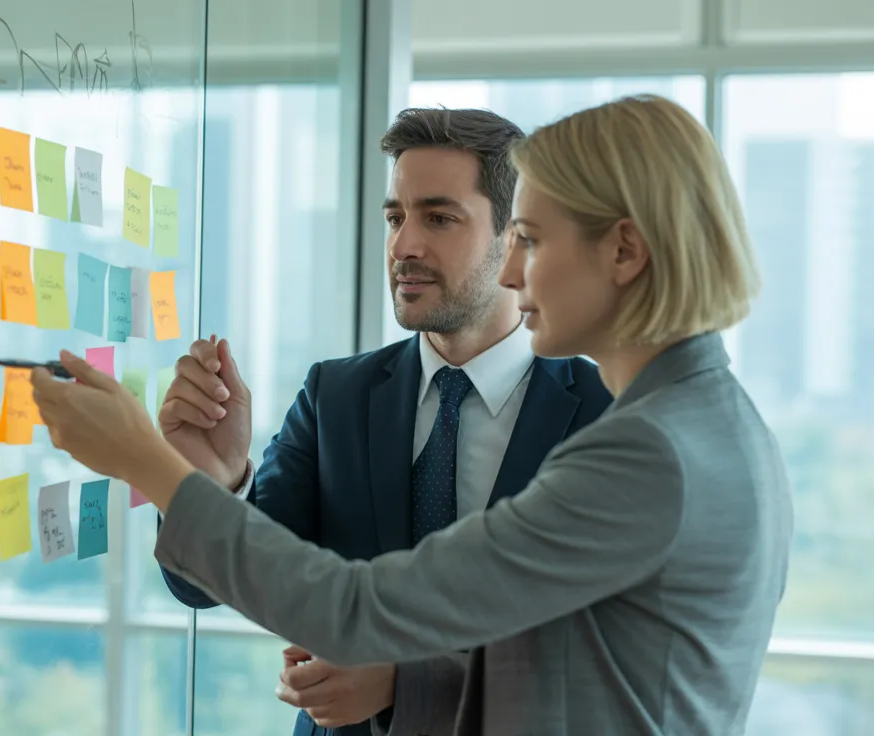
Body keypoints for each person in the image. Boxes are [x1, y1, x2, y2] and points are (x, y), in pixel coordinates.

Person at [32, 94, 793, 736]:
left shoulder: (645, 448)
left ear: (624, 251)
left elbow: (357, 610)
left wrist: (147, 464)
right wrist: (215, 478)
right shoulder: (713, 420)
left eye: (529, 238)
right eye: (396, 216)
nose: (517, 270)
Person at [155, 107, 610, 735]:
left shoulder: (602, 413)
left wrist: (406, 679)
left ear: (517, 235)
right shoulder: (334, 395)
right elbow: (208, 589)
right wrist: (214, 482)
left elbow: (600, 651)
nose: (403, 245)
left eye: (439, 217)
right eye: (396, 217)